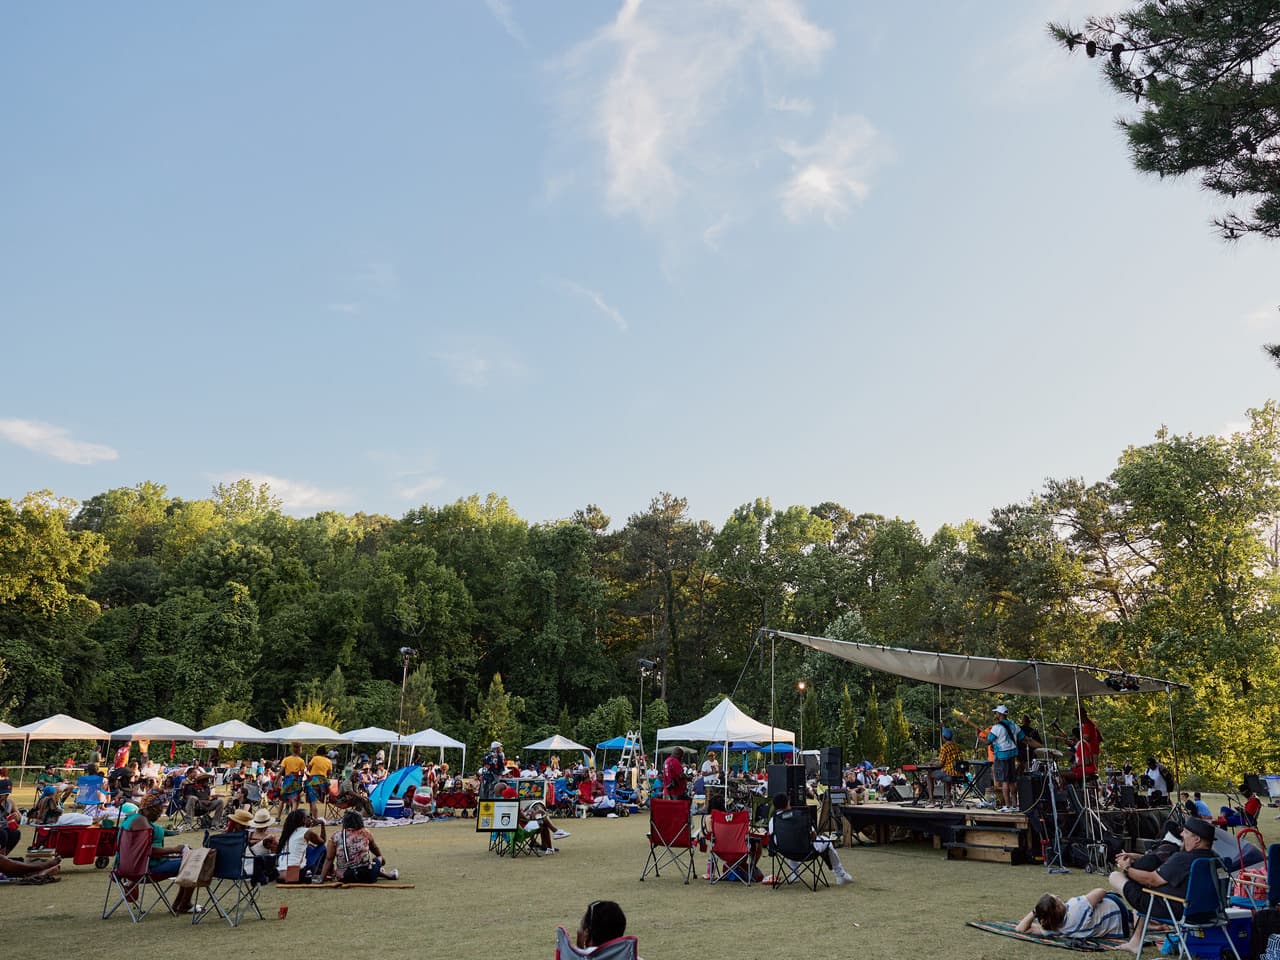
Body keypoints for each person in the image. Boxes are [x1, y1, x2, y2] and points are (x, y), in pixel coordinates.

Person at [1107, 817, 1218, 955]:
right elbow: (1166, 865)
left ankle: (1136, 934)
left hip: (1175, 909)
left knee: (1115, 877)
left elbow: (1151, 880)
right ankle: (1135, 941)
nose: (1182, 835)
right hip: (1210, 913)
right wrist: (1136, 857)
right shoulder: (1215, 859)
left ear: (1197, 839)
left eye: (1186, 832)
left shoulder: (1183, 859)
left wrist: (1126, 868)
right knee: (1147, 889)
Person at [124, 791, 199, 914]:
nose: (160, 812)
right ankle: (183, 904)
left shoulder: (130, 819)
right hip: (144, 869)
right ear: (150, 808)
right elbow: (148, 851)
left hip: (124, 868)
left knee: (184, 858)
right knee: (192, 863)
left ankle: (179, 904)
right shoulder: (143, 823)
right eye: (159, 808)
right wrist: (175, 849)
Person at [768, 792, 852, 885]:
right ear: (788, 802)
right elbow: (813, 835)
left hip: (785, 851)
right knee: (827, 842)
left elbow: (772, 837)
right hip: (807, 851)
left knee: (790, 841)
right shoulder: (801, 816)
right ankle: (840, 874)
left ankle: (794, 875)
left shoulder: (773, 820)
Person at [1015, 889, 1130, 940]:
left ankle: (1136, 919)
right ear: (1058, 907)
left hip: (1118, 930)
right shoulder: (1077, 906)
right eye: (1057, 898)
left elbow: (1021, 929)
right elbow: (1101, 891)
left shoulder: (1055, 928)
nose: (1059, 897)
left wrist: (1036, 911)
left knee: (1092, 908)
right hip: (1118, 910)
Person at [322, 811, 398, 883]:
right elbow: (374, 847)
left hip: (345, 877)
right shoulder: (365, 833)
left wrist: (321, 877)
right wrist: (381, 858)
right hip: (368, 876)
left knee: (360, 868)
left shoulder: (335, 836)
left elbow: (329, 859)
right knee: (377, 860)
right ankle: (388, 874)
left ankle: (387, 874)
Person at [986, 705, 1024, 812]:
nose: (996, 715)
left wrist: (978, 737)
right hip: (1012, 755)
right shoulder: (1014, 725)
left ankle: (1007, 806)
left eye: (996, 713)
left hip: (1002, 756)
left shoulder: (996, 727)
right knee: (1012, 780)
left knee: (1005, 781)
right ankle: (1015, 805)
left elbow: (988, 741)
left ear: (1000, 714)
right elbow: (1022, 737)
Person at [277, 809, 327, 882]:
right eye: (309, 817)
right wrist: (322, 824)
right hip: (295, 874)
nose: (311, 818)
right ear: (303, 820)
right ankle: (324, 871)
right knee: (322, 848)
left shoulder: (288, 832)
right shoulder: (307, 832)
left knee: (309, 847)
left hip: (279, 874)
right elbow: (322, 841)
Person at [925, 729, 964, 808]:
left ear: (943, 737)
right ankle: (948, 801)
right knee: (946, 776)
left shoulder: (945, 747)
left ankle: (931, 800)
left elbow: (940, 763)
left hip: (949, 773)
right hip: (959, 774)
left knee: (929, 775)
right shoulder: (957, 746)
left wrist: (931, 764)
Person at [278, 742, 308, 814]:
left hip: (287, 781)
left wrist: (276, 781)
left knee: (282, 800)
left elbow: (281, 771)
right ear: (299, 749)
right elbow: (302, 773)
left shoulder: (286, 759)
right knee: (295, 800)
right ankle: (293, 818)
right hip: (296, 781)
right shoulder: (301, 761)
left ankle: (278, 818)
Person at [306, 746, 332, 821]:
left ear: (317, 752)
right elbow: (329, 773)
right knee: (313, 800)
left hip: (313, 780)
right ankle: (311, 816)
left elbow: (308, 768)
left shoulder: (315, 758)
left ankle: (315, 818)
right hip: (323, 781)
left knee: (313, 801)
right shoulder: (328, 761)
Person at [0, 788, 19, 854]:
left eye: (7, 794)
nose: (6, 796)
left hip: (3, 827)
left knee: (15, 833)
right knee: (3, 834)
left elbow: (19, 818)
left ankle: (4, 857)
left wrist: (16, 815)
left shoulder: (9, 802)